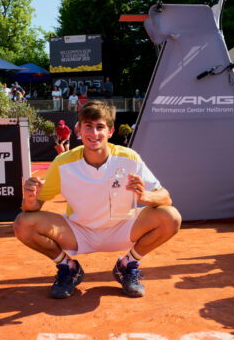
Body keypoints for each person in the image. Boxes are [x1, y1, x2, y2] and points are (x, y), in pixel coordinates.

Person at [13, 101, 182, 299]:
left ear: (110, 132)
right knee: (23, 224)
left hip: (123, 228)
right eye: (88, 126)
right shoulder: (63, 163)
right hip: (79, 231)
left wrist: (145, 196)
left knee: (171, 217)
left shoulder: (130, 158)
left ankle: (128, 264)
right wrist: (30, 199)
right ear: (79, 130)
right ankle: (68, 267)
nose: (94, 133)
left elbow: (166, 197)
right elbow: (31, 208)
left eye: (100, 127)